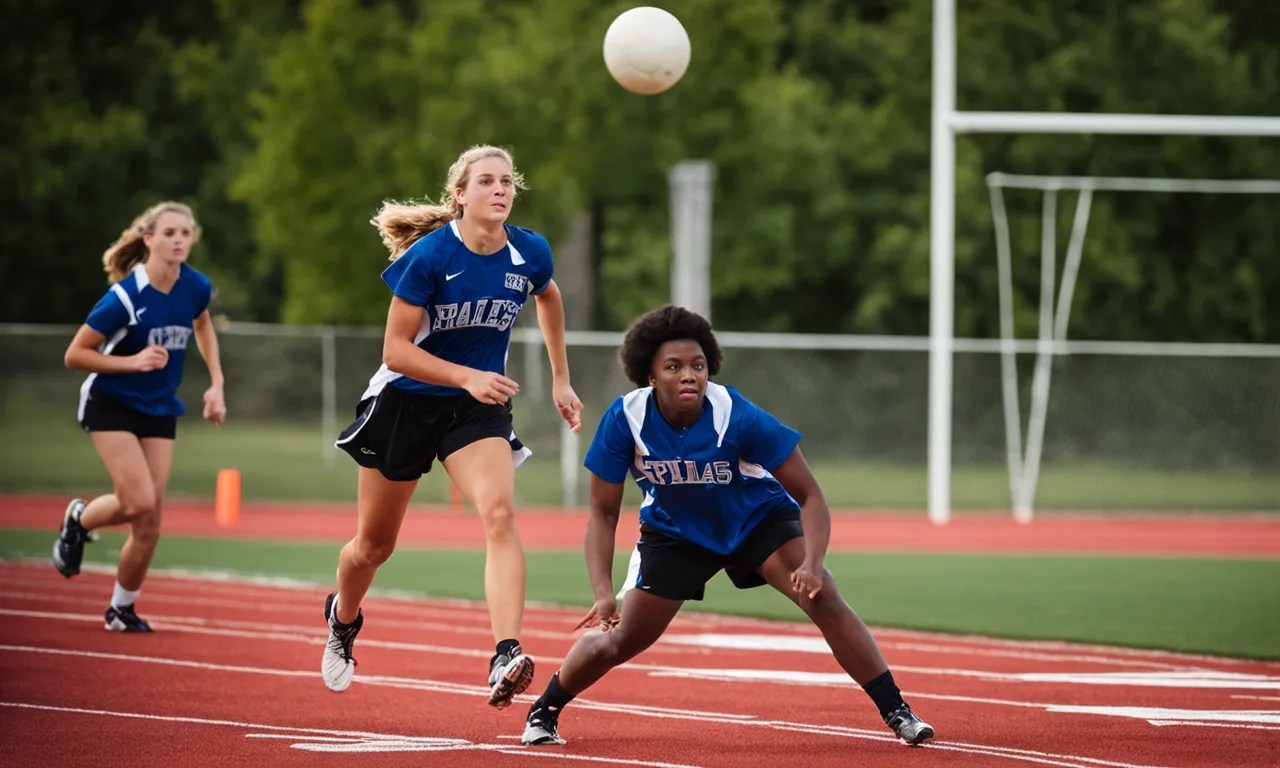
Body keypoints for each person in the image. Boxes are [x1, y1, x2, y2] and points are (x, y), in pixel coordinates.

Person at [520, 305, 935, 747]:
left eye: (698, 366)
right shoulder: (625, 419)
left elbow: (811, 495)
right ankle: (544, 710)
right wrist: (603, 592)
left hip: (754, 520)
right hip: (675, 532)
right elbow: (602, 514)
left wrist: (813, 563)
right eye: (674, 367)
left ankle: (898, 711)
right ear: (649, 375)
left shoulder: (736, 414)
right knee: (619, 640)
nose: (689, 376)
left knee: (825, 598)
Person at [323, 145, 584, 710]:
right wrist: (465, 375)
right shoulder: (431, 258)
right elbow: (395, 352)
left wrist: (562, 380)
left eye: (508, 181)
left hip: (475, 407)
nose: (500, 189)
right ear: (460, 195)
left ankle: (505, 651)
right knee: (372, 548)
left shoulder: (529, 251)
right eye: (486, 181)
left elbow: (550, 296)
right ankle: (342, 618)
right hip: (407, 402)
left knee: (499, 512)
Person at [54, 201, 227, 633]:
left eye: (185, 233)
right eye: (169, 233)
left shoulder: (195, 287)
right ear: (148, 239)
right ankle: (79, 519)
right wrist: (132, 363)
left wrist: (216, 383)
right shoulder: (125, 298)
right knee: (138, 502)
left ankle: (121, 608)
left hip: (159, 406)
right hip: (111, 402)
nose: (178, 240)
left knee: (150, 520)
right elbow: (75, 355)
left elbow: (202, 324)